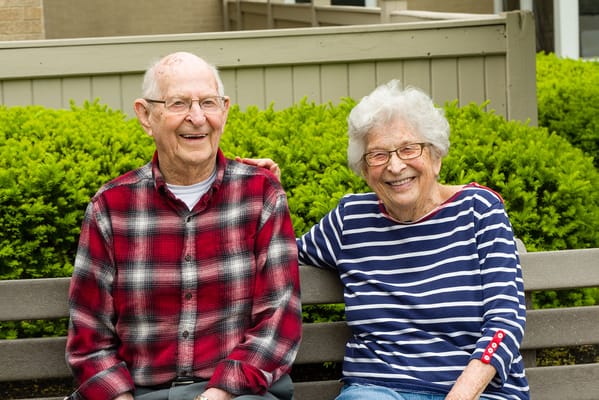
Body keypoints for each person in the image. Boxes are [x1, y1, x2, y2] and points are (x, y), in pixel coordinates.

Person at [242, 80, 529, 399]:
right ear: (365, 170)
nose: (395, 166)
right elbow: (279, 254)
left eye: (409, 149)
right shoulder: (351, 220)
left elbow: (505, 319)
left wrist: (461, 394)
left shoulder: (479, 210)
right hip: (377, 389)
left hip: (476, 391)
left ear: (435, 156)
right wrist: (264, 194)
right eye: (378, 155)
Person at [65, 52, 302, 400]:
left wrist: (218, 394)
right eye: (178, 104)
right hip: (138, 394)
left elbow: (278, 321)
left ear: (224, 110)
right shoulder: (111, 207)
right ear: (146, 116)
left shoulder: (260, 195)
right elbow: (89, 336)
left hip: (234, 394)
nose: (197, 118)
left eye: (208, 102)